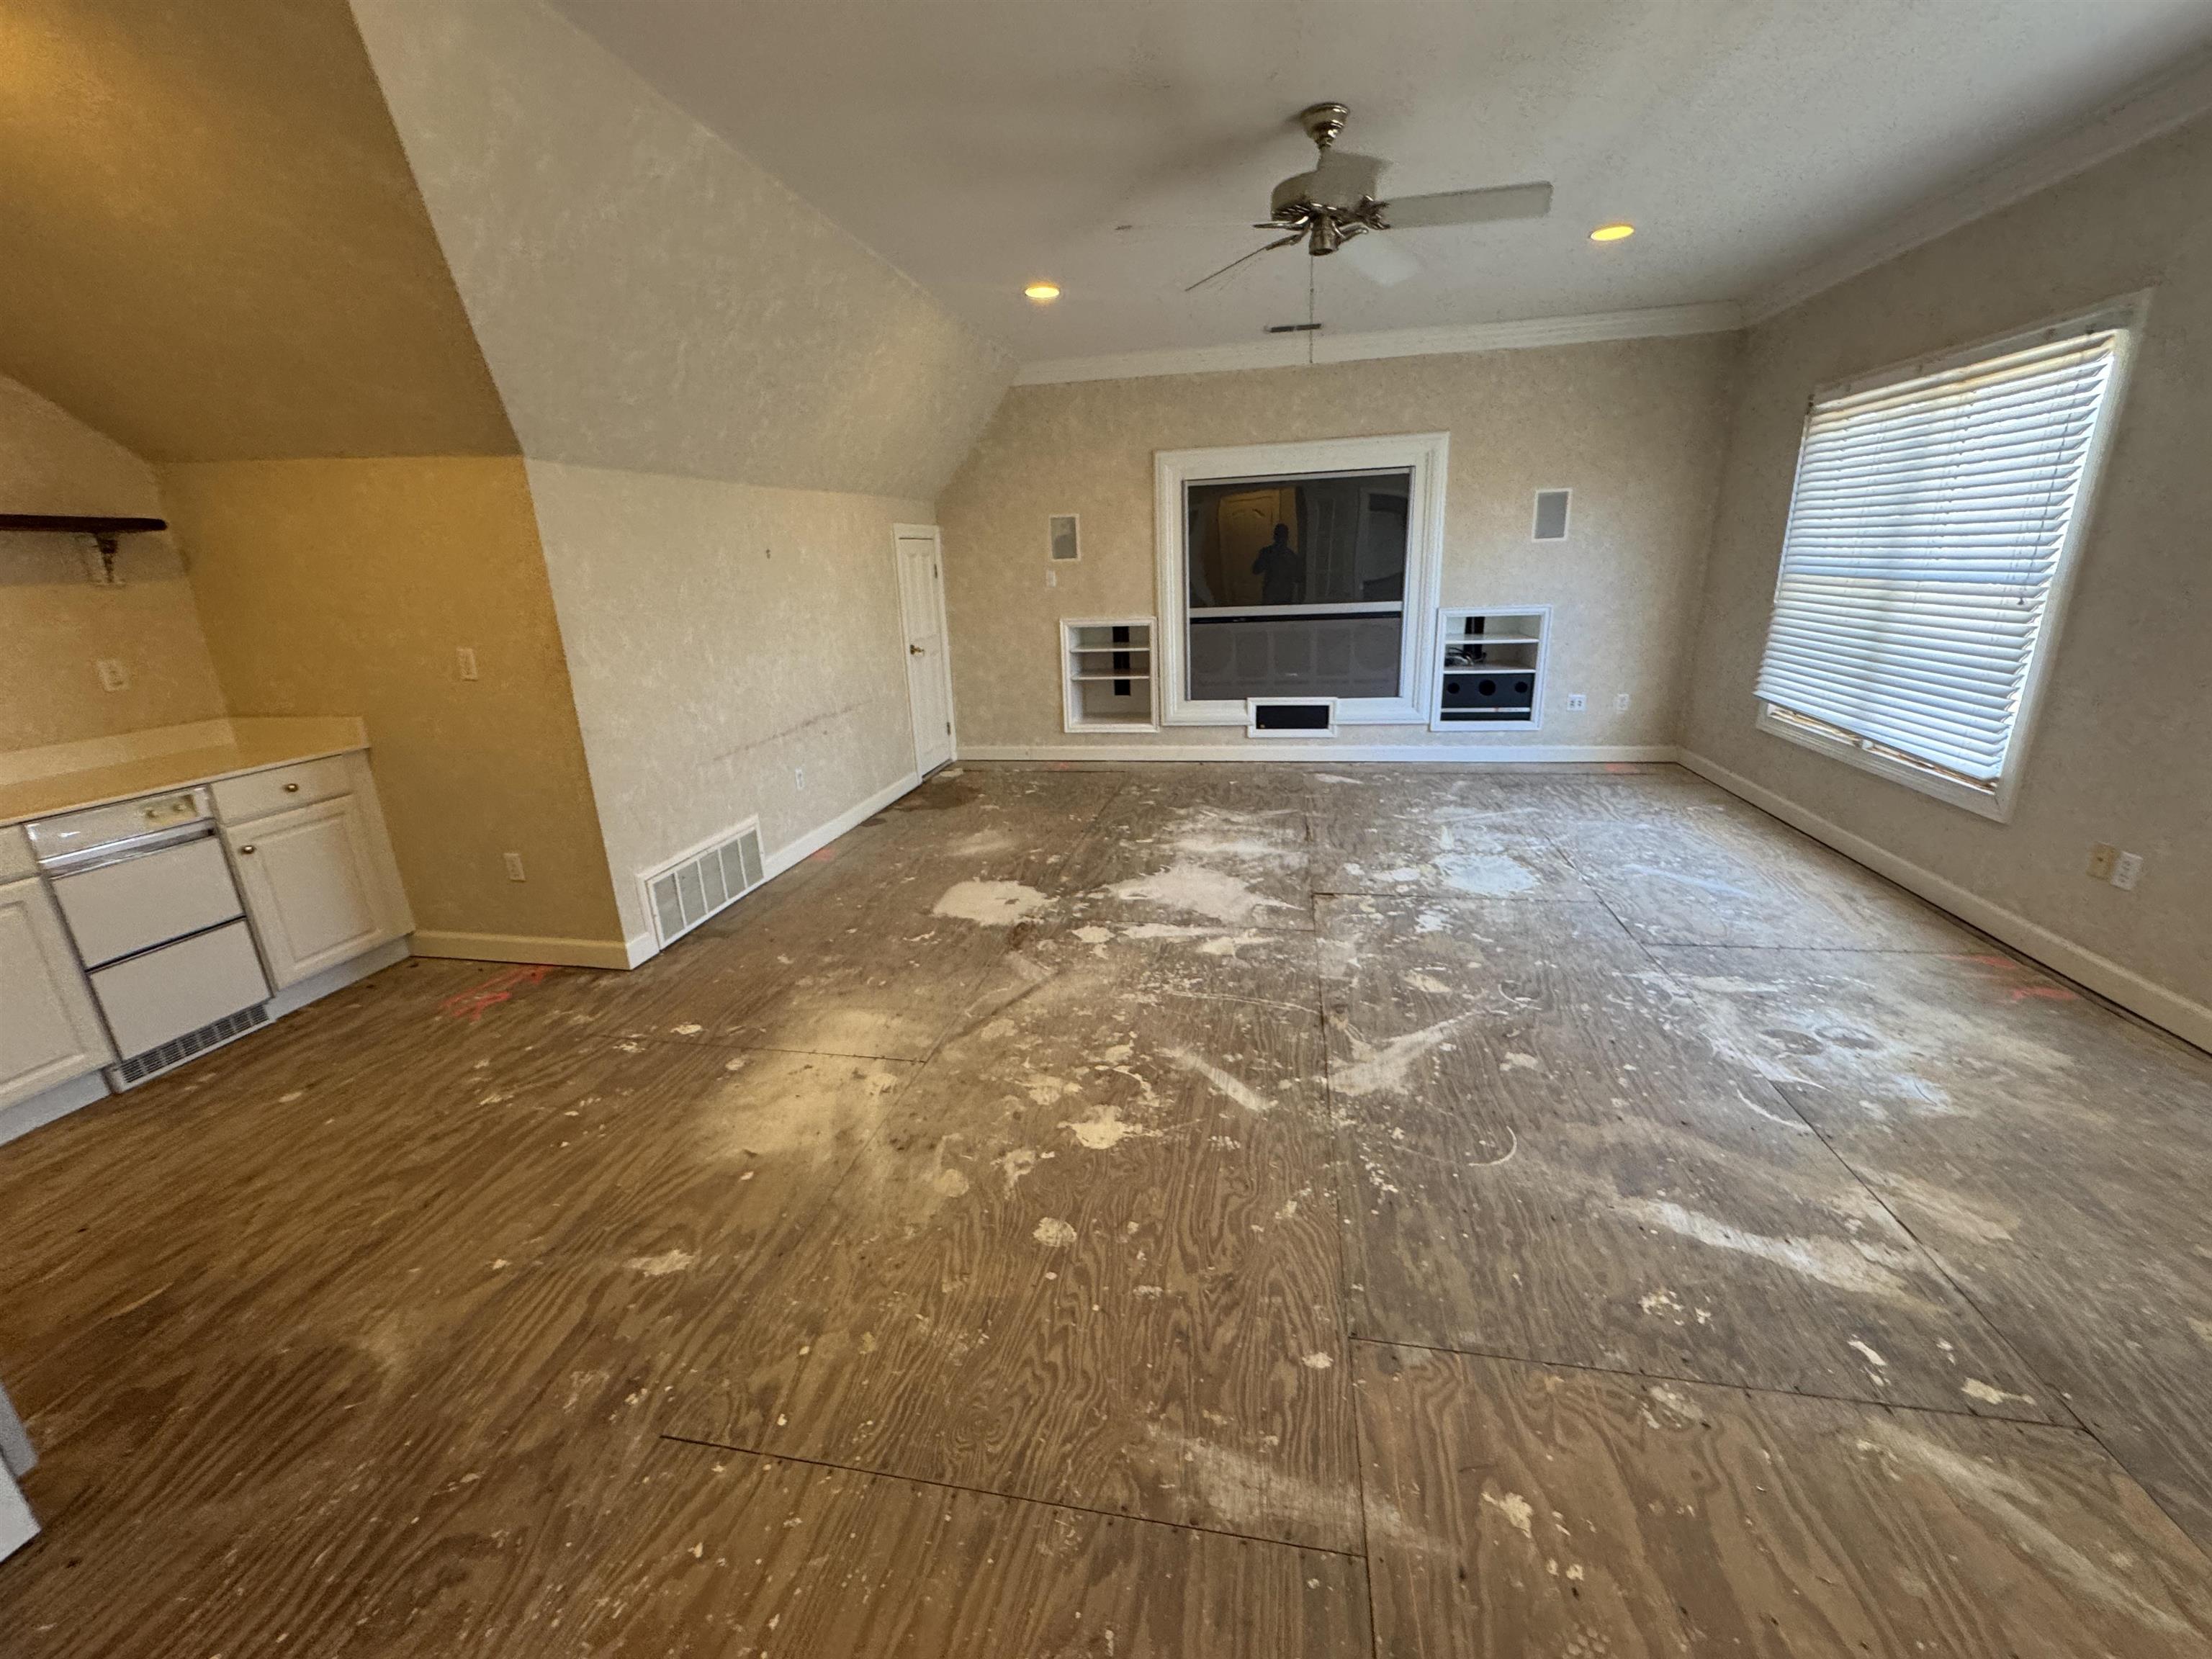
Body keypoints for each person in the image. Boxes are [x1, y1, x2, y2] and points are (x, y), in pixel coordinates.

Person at [1251, 523, 1305, 606]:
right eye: (1279, 536)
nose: (1281, 539)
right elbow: (1256, 570)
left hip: (1285, 596)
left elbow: (1299, 578)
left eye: (1283, 536)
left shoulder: (1291, 556)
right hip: (1271, 596)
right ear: (1275, 537)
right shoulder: (1267, 553)